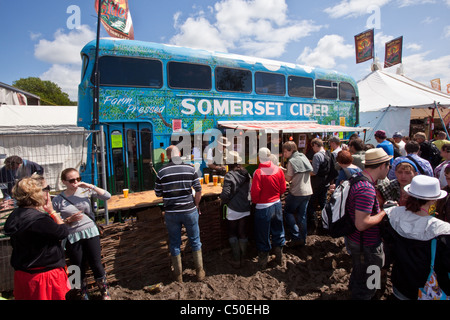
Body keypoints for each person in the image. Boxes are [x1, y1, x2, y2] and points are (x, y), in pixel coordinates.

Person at [3, 174, 72, 300]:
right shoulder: (39, 220)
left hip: (24, 275)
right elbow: (63, 232)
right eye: (45, 189)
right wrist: (52, 212)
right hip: (44, 277)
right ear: (37, 193)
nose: (47, 192)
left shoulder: (14, 215)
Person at [384, 175, 450, 300]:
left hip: (400, 284)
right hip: (428, 290)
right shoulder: (442, 230)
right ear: (433, 200)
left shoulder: (393, 215)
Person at [52, 168, 112, 300]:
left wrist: (89, 185)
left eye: (78, 179)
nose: (75, 182)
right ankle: (82, 294)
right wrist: (67, 220)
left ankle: (105, 293)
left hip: (90, 231)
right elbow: (53, 221)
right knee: (75, 266)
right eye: (72, 180)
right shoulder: (57, 200)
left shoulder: (85, 190)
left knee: (96, 262)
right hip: (72, 235)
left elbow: (107, 196)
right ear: (64, 182)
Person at [345, 148, 391, 300]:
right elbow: (362, 224)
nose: (389, 168)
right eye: (388, 165)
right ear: (382, 166)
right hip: (368, 245)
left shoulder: (357, 178)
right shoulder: (366, 189)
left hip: (356, 240)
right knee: (370, 285)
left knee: (359, 272)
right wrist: (385, 212)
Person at [155, 145, 205, 282]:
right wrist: (196, 205)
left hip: (171, 213)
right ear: (180, 154)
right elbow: (199, 189)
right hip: (190, 211)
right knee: (195, 241)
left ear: (168, 156)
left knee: (175, 243)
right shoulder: (190, 168)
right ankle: (200, 273)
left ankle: (178, 276)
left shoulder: (161, 172)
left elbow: (158, 193)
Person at [251, 147, 286, 269]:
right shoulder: (278, 170)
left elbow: (255, 192)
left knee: (262, 234)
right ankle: (279, 256)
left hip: (263, 207)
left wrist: (255, 202)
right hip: (276, 204)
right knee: (278, 230)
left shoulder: (258, 172)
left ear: (259, 158)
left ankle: (263, 261)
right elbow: (283, 189)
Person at [220, 151, 251, 268]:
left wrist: (221, 197)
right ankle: (244, 257)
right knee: (242, 232)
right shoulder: (246, 174)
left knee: (232, 232)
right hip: (245, 206)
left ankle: (237, 259)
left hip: (233, 208)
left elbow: (225, 194)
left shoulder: (229, 175)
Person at [282, 141, 313, 247]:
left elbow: (288, 178)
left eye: (285, 151)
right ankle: (303, 239)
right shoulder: (303, 157)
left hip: (297, 192)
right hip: (308, 191)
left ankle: (296, 236)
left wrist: (282, 172)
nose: (284, 154)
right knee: (302, 216)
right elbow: (301, 172)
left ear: (291, 150)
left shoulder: (292, 161)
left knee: (288, 212)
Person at [306, 138, 330, 232]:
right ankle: (326, 224)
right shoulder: (328, 153)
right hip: (325, 183)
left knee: (310, 203)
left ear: (316, 145)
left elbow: (314, 172)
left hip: (316, 184)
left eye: (313, 146)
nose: (312, 149)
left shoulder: (317, 155)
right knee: (323, 204)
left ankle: (313, 225)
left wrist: (306, 172)